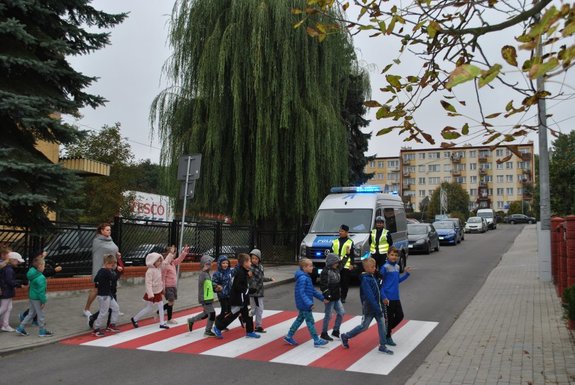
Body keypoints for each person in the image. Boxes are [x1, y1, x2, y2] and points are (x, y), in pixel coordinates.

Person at [340, 257, 393, 354]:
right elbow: (370, 296)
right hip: (369, 308)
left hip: (377, 306)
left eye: (375, 266)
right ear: (366, 268)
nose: (375, 268)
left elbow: (378, 290)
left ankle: (382, 345)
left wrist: (383, 299)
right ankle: (346, 336)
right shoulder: (365, 280)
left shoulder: (373, 276)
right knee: (364, 326)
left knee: (382, 324)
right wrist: (377, 308)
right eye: (372, 267)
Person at [283, 258, 328, 347]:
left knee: (299, 319)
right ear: (304, 268)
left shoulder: (306, 277)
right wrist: (309, 303)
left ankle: (289, 336)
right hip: (304, 304)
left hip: (303, 303)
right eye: (310, 266)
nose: (313, 267)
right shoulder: (303, 278)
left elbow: (312, 291)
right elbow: (301, 292)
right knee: (310, 321)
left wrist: (322, 298)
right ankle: (316, 340)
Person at [213, 253, 260, 339]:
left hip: (243, 299)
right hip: (239, 300)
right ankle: (217, 327)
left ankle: (249, 332)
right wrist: (249, 290)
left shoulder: (244, 271)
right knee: (233, 315)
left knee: (248, 314)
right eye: (249, 261)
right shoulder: (241, 273)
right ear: (245, 263)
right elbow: (238, 287)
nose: (250, 263)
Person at [84, 223, 122, 317]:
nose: (109, 231)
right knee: (96, 290)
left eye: (110, 230)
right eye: (107, 230)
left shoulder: (110, 239)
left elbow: (112, 250)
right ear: (102, 231)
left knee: (112, 289)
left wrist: (117, 255)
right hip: (101, 269)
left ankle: (113, 308)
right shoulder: (97, 241)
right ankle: (86, 309)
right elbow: (104, 252)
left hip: (111, 268)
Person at [380, 246, 411, 346]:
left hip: (396, 297)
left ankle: (386, 330)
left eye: (396, 255)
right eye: (392, 255)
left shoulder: (397, 267)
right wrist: (383, 297)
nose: (394, 257)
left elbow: (397, 281)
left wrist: (406, 274)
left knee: (400, 316)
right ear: (388, 255)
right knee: (388, 318)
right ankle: (387, 336)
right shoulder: (384, 268)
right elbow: (380, 284)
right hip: (387, 298)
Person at [16, 256, 53, 337]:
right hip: (37, 298)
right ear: (40, 266)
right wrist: (43, 301)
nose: (44, 267)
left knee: (31, 313)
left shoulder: (32, 274)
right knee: (41, 314)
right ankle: (42, 331)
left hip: (32, 296)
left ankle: (21, 327)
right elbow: (41, 292)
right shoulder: (41, 277)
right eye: (44, 265)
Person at [130, 252, 169, 329]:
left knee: (153, 307)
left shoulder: (158, 268)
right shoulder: (150, 271)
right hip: (152, 292)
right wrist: (150, 294)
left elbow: (165, 263)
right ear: (153, 261)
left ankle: (134, 319)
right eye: (158, 261)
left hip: (157, 291)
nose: (160, 262)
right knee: (153, 307)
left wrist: (170, 254)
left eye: (160, 260)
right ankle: (135, 319)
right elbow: (148, 283)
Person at [186, 255, 217, 337]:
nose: (210, 266)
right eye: (207, 264)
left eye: (210, 264)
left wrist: (215, 287)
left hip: (208, 297)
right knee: (212, 313)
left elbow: (209, 284)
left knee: (206, 313)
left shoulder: (207, 273)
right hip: (205, 298)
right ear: (203, 265)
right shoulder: (203, 274)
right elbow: (201, 285)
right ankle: (207, 331)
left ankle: (191, 320)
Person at [91, 254, 121, 337]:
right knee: (103, 312)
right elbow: (114, 278)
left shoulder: (101, 270)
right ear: (107, 263)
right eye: (112, 265)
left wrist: (99, 285)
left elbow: (96, 279)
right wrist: (118, 271)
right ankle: (96, 329)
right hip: (104, 295)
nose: (112, 267)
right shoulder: (106, 271)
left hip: (107, 294)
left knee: (115, 308)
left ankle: (112, 325)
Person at [319, 253, 344, 341]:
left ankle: (336, 331)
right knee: (328, 315)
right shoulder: (326, 272)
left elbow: (342, 265)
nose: (338, 264)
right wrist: (327, 296)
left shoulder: (336, 269)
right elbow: (323, 286)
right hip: (330, 297)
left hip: (336, 296)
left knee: (341, 313)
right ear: (331, 262)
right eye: (336, 262)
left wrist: (346, 255)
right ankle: (324, 333)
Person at [161, 245, 189, 324]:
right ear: (167, 254)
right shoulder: (165, 265)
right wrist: (163, 288)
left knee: (172, 302)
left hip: (173, 286)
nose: (174, 255)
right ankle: (169, 319)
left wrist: (184, 252)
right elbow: (162, 277)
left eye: (174, 254)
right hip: (168, 286)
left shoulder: (172, 263)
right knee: (171, 302)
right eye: (172, 254)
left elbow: (179, 260)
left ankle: (159, 310)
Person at [249, 248, 274, 333]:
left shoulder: (261, 267)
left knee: (259, 310)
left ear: (259, 259)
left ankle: (258, 326)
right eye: (252, 258)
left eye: (256, 258)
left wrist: (269, 279)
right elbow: (248, 279)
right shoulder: (250, 268)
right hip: (254, 292)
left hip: (260, 291)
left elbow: (261, 278)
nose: (254, 260)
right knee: (255, 310)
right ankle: (246, 317)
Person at [0, 252, 26, 332]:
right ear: (13, 260)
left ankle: (5, 325)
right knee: (4, 308)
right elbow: (10, 281)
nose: (18, 263)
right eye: (17, 261)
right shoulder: (9, 269)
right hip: (6, 290)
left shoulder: (6, 268)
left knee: (8, 307)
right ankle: (5, 325)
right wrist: (19, 284)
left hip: (6, 290)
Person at [331, 224, 355, 303]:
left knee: (344, 282)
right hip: (336, 264)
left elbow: (352, 254)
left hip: (345, 265)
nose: (340, 232)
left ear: (346, 232)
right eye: (339, 231)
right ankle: (336, 295)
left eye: (342, 231)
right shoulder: (335, 241)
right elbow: (331, 253)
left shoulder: (350, 242)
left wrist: (352, 264)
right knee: (336, 281)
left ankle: (343, 297)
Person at [212, 255, 232, 322]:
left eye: (226, 263)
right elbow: (214, 282)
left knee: (229, 310)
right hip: (222, 295)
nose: (225, 265)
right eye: (223, 263)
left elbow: (236, 271)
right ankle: (218, 321)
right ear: (220, 264)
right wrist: (216, 287)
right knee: (225, 310)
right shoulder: (217, 274)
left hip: (229, 294)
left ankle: (221, 322)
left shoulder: (229, 272)